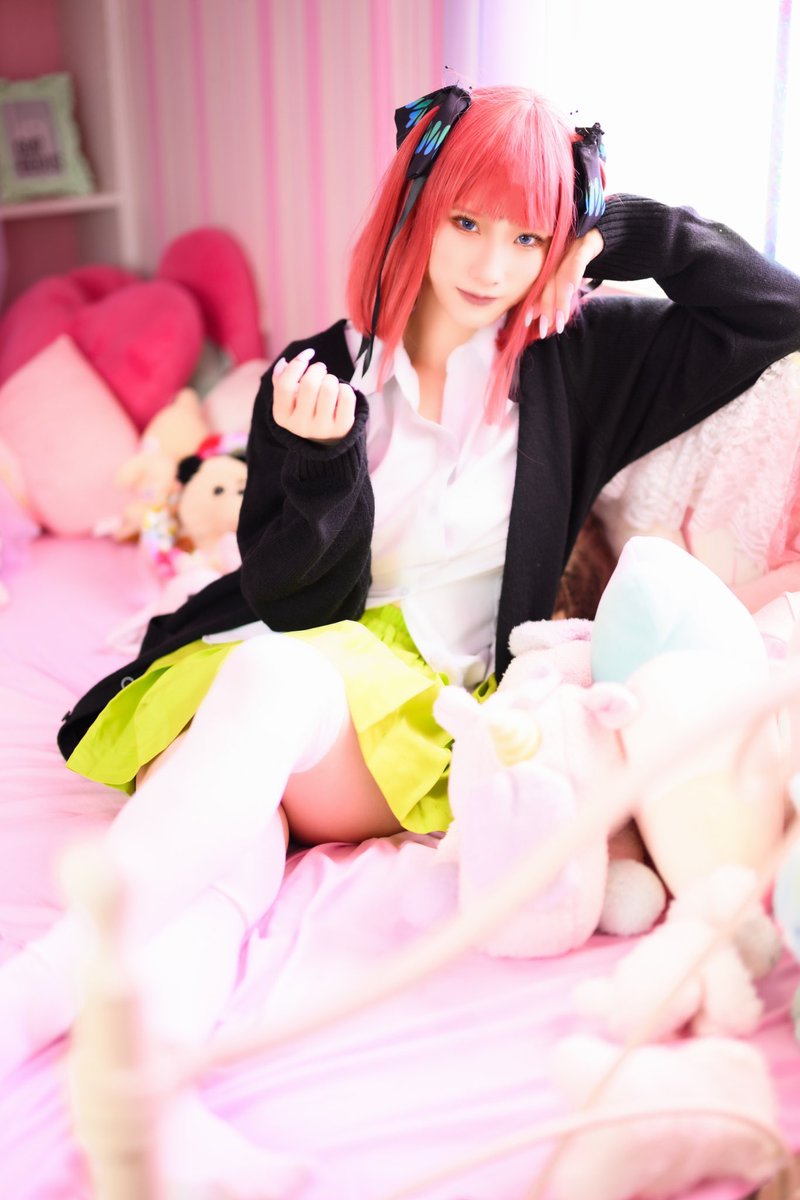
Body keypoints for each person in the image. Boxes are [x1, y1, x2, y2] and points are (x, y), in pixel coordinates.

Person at [3, 83, 800, 1193]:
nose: (489, 263)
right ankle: (164, 1118)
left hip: (418, 713)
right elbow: (297, 601)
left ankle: (40, 982)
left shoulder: (579, 358)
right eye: (467, 220)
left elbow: (773, 313)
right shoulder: (314, 373)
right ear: (415, 203)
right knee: (232, 851)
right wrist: (321, 467)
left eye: (525, 237)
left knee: (270, 685)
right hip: (292, 682)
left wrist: (617, 229)